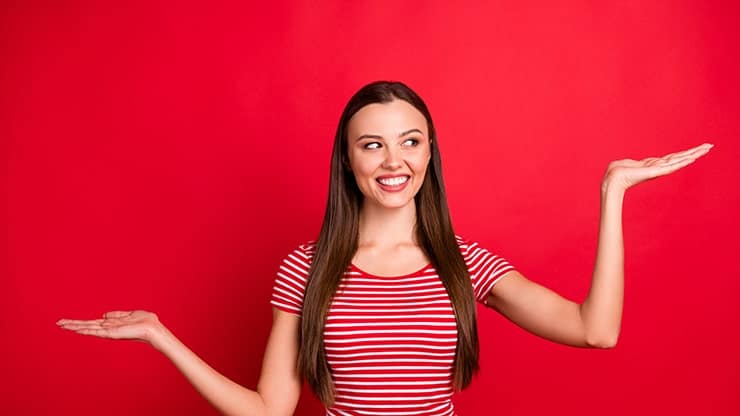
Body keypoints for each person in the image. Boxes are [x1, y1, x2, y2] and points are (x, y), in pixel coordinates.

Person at [57, 81, 713, 416]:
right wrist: (160, 336)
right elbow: (268, 410)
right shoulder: (306, 267)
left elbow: (594, 332)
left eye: (411, 140)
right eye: (372, 143)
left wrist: (614, 192)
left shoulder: (463, 261)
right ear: (348, 160)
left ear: (430, 151)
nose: (394, 159)